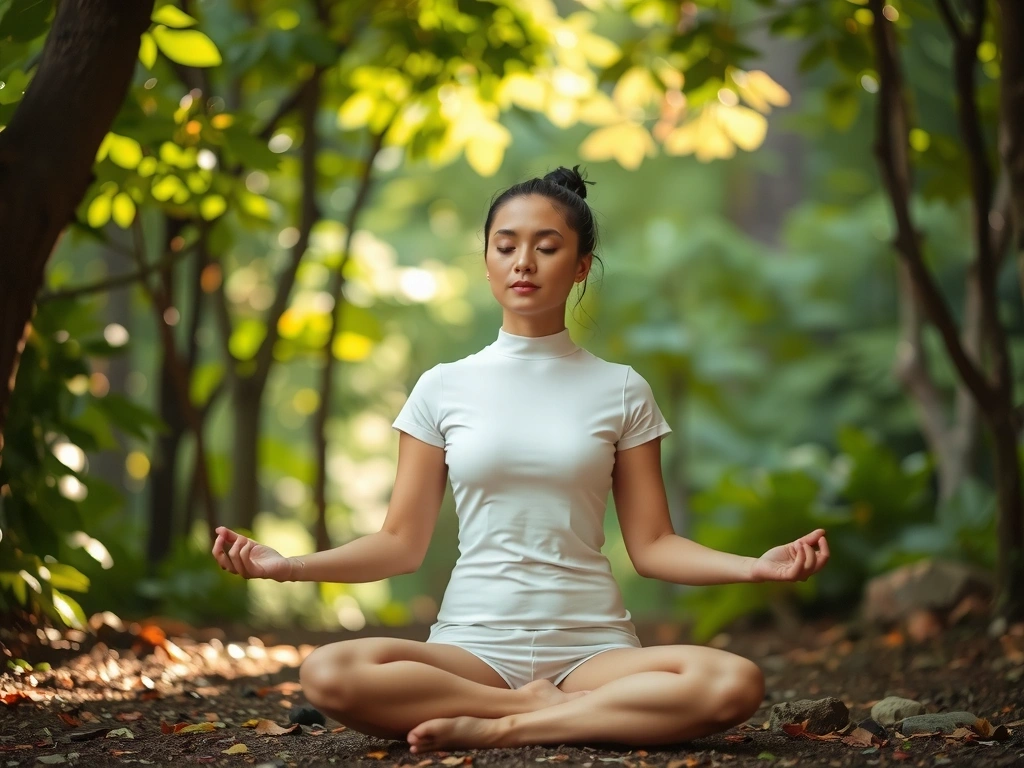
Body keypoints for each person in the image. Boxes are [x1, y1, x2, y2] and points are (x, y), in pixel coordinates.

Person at [211, 164, 829, 754]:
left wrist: (756, 568)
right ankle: (536, 711)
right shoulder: (442, 387)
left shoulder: (622, 389)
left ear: (582, 265)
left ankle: (505, 729)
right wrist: (286, 567)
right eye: (505, 246)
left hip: (594, 649)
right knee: (330, 672)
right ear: (486, 261)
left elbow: (654, 544)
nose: (523, 263)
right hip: (471, 650)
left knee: (734, 683)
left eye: (547, 246)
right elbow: (400, 543)